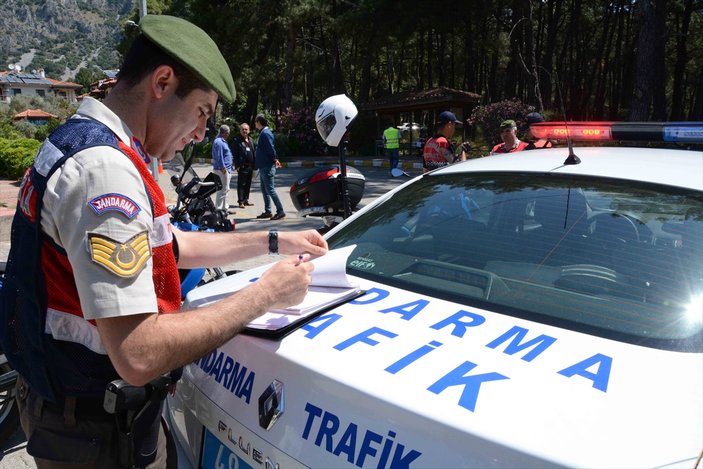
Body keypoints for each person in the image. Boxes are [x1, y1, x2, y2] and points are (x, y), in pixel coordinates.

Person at [0, 14, 327, 468]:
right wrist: (265, 295)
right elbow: (138, 353)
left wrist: (275, 240)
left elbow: (172, 245)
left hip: (84, 415)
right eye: (201, 113)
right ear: (163, 82)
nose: (200, 134)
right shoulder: (105, 171)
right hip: (94, 432)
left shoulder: (88, 141)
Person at [254, 114, 285, 220]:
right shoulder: (263, 132)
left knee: (270, 189)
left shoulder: (265, 133)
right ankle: (268, 211)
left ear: (259, 122)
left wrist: (275, 159)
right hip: (263, 166)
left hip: (267, 166)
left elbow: (270, 148)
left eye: (255, 122)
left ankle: (280, 211)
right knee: (264, 189)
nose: (255, 124)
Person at [232, 122, 255, 208]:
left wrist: (255, 165)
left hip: (250, 166)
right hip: (242, 166)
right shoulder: (237, 140)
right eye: (243, 129)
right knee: (241, 184)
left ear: (249, 130)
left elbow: (253, 152)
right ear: (240, 130)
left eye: (246, 129)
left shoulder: (251, 140)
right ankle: (241, 201)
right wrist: (237, 165)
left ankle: (246, 200)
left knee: (248, 184)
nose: (244, 131)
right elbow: (235, 154)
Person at [211, 124, 233, 212]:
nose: (228, 135)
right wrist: (223, 167)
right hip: (222, 170)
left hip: (226, 169)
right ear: (225, 133)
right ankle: (219, 209)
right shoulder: (219, 142)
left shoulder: (222, 141)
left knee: (225, 190)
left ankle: (224, 208)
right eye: (228, 133)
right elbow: (219, 156)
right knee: (221, 190)